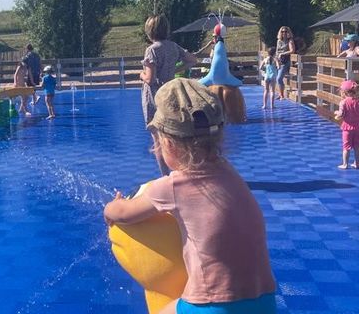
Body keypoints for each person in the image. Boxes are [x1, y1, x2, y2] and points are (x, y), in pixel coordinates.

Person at [104, 78, 276, 314]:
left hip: (213, 305)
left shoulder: (172, 187)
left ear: (168, 144)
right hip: (265, 301)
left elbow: (122, 215)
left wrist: (114, 205)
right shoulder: (230, 172)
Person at [140, 15, 197, 175]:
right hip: (171, 94)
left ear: (149, 31)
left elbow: (150, 79)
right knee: (172, 135)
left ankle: (165, 176)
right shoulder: (173, 47)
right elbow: (192, 60)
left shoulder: (152, 50)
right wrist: (174, 71)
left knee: (158, 139)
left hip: (154, 97)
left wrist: (141, 75)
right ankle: (181, 170)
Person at [334, 80, 359, 169]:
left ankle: (345, 164)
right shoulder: (357, 101)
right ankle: (357, 163)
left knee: (346, 147)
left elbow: (341, 114)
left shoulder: (343, 102)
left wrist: (337, 113)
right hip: (357, 127)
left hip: (347, 128)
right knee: (357, 146)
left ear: (345, 92)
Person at [275, 26, 296, 100]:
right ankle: (280, 94)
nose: (284, 33)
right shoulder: (279, 41)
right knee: (277, 78)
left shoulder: (290, 41)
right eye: (282, 31)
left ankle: (282, 95)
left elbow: (292, 50)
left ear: (288, 33)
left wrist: (283, 53)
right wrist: (276, 60)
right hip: (279, 61)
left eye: (285, 31)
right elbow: (277, 52)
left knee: (279, 78)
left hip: (285, 61)